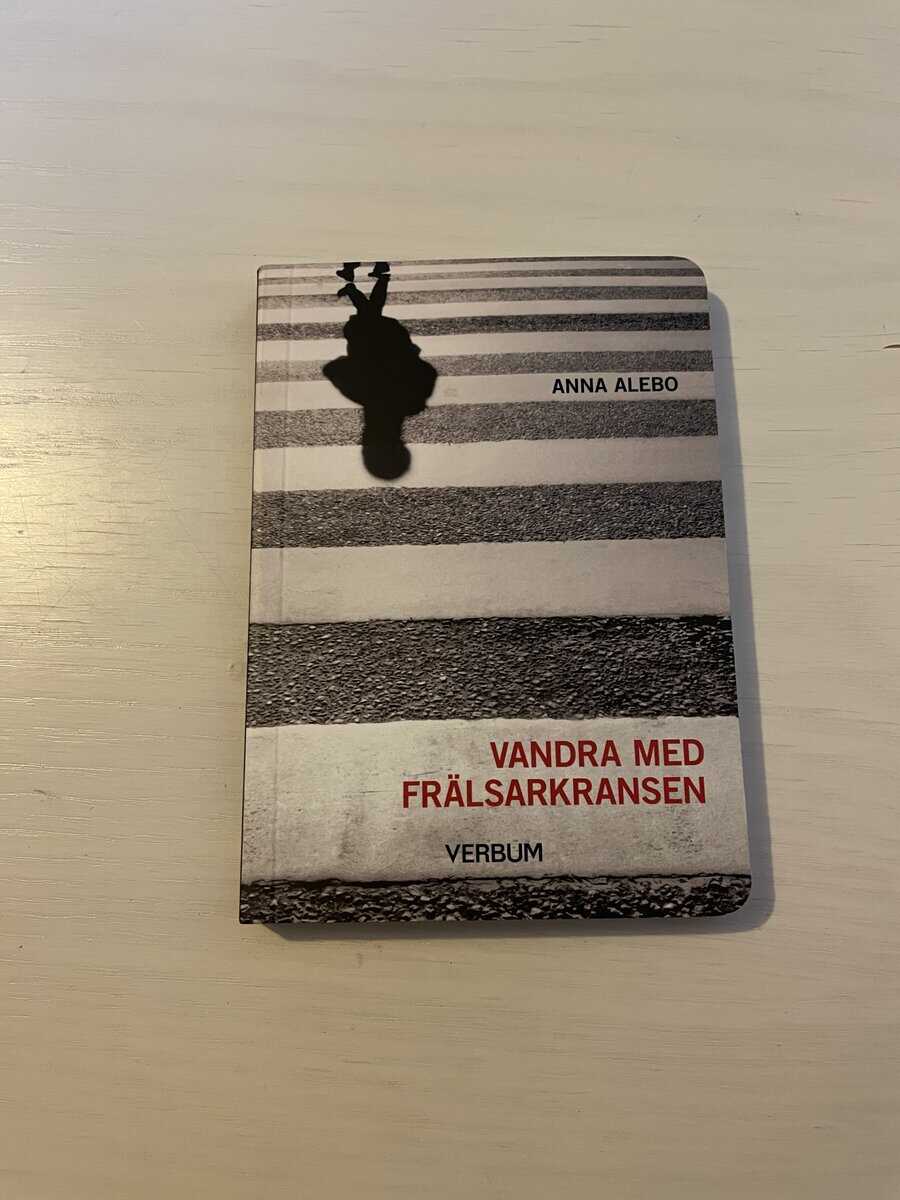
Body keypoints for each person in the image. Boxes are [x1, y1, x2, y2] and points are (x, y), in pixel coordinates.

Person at [322, 262, 437, 479]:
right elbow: (333, 368)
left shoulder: (413, 400)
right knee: (371, 312)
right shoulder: (361, 391)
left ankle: (362, 287)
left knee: (372, 311)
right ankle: (361, 288)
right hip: (367, 340)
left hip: (393, 337)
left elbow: (428, 372)